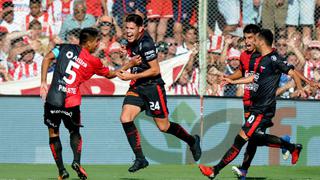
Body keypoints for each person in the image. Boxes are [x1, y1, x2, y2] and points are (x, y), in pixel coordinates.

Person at [198, 29, 304, 179]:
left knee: (240, 140)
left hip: (262, 110)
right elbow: (252, 78)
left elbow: (292, 72)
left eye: (253, 39)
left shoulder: (273, 59)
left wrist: (300, 87)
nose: (250, 42)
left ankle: (215, 170)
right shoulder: (259, 59)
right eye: (247, 38)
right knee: (254, 138)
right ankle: (290, 147)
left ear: (259, 41)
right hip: (254, 107)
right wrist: (232, 80)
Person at [40, 27, 140, 180]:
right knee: (74, 132)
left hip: (53, 98)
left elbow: (47, 58)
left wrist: (43, 83)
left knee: (54, 134)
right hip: (71, 102)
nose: (98, 44)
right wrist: (129, 64)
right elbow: (112, 74)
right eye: (96, 41)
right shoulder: (93, 61)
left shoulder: (64, 47)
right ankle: (76, 162)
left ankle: (61, 171)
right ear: (88, 43)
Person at [116, 14, 201, 173]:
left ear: (141, 29)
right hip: (137, 87)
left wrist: (131, 75)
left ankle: (192, 141)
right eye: (126, 28)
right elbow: (133, 55)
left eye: (132, 29)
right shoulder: (131, 40)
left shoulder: (146, 43)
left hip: (152, 88)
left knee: (163, 126)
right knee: (125, 118)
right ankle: (140, 158)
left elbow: (155, 70)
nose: (128, 31)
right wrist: (126, 54)